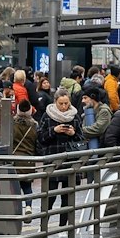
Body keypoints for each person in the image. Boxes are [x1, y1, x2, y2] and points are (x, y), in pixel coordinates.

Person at [38, 90, 83, 230]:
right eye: (61, 104)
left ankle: (64, 227)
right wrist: (54, 131)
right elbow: (40, 139)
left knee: (67, 197)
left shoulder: (74, 117)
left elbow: (82, 139)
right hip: (52, 161)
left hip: (70, 161)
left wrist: (73, 133)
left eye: (66, 103)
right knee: (49, 196)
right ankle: (43, 226)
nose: (64, 107)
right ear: (55, 102)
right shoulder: (47, 116)